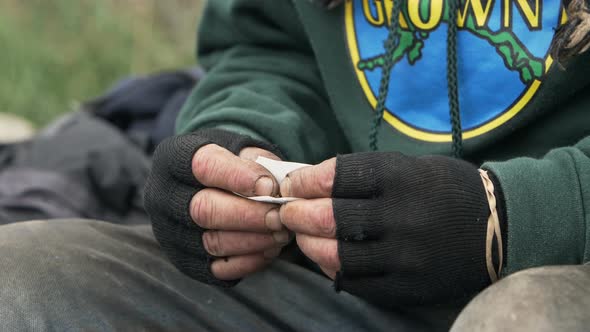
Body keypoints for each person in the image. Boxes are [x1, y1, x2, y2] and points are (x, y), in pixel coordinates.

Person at [1, 0, 590, 331]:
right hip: (332, 281)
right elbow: (269, 47)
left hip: (562, 278)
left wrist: (516, 217)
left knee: (522, 318)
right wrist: (235, 142)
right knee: (19, 282)